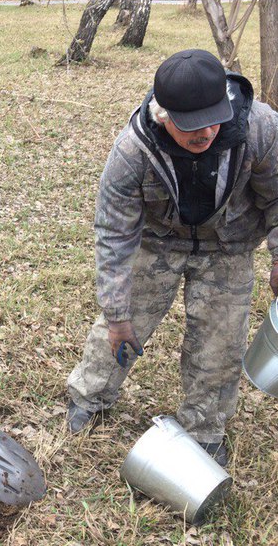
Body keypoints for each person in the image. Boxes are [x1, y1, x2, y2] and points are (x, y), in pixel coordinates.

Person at [65, 49, 278, 467]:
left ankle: (204, 427)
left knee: (220, 342)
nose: (206, 133)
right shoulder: (132, 151)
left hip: (229, 245)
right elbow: (113, 232)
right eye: (192, 126)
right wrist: (117, 313)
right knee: (122, 328)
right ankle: (89, 396)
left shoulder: (261, 128)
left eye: (214, 119)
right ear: (163, 115)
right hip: (158, 241)